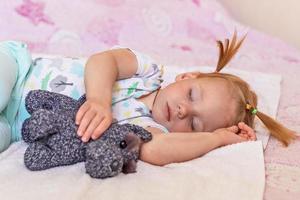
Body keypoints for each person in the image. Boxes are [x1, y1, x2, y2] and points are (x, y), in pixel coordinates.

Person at [0, 32, 297, 166]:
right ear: (187, 77)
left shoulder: (147, 130)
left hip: (15, 128)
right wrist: (99, 100)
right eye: (192, 95)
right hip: (20, 71)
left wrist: (218, 139)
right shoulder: (148, 72)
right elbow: (102, 61)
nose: (182, 110)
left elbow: (157, 151)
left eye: (194, 123)